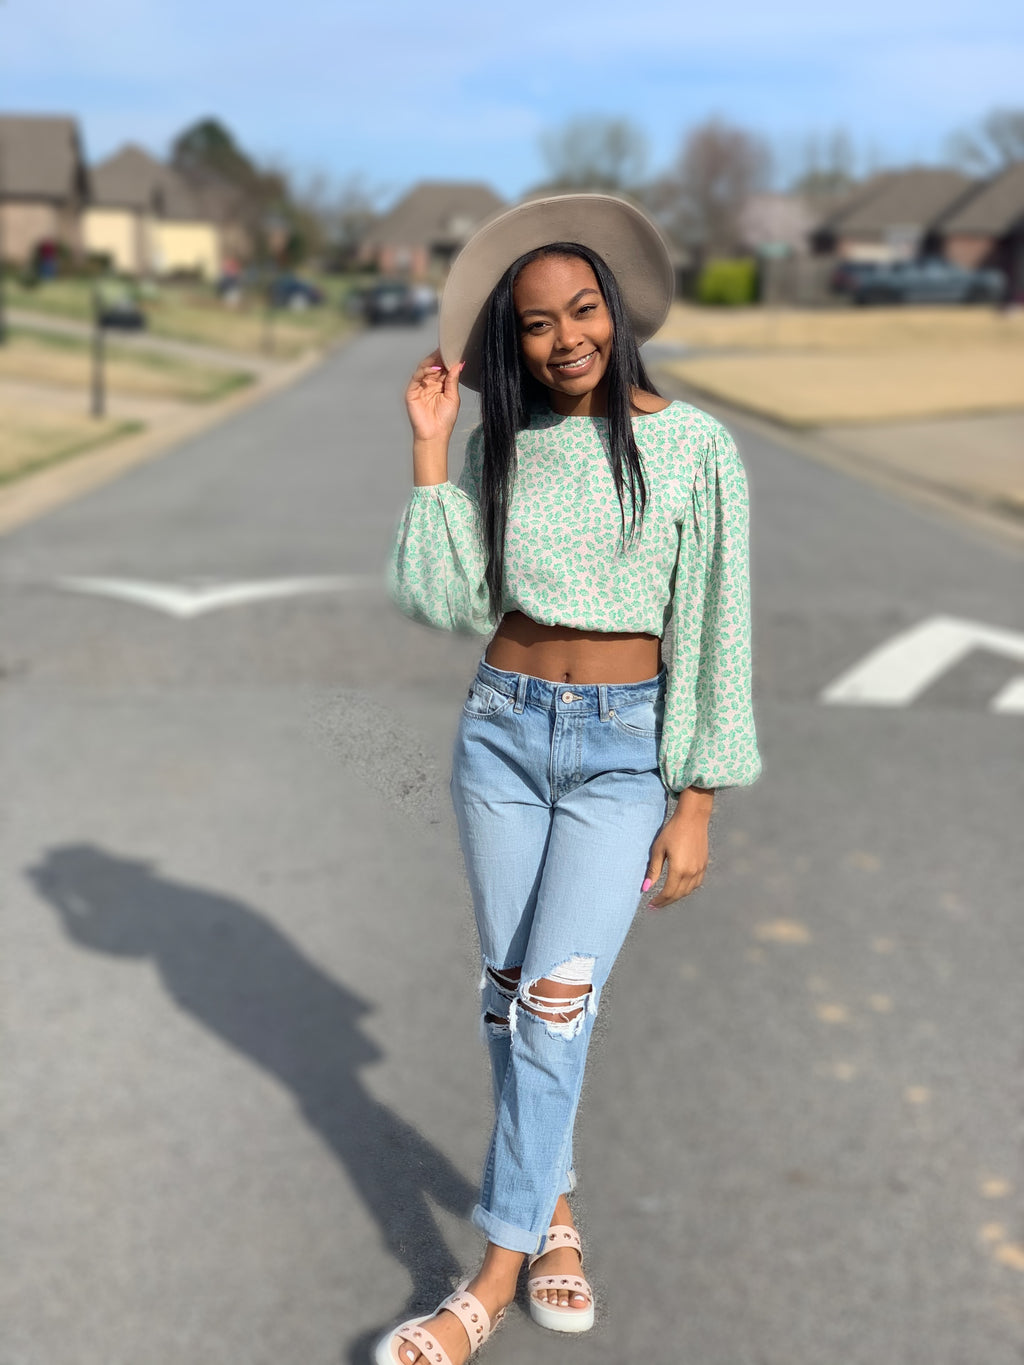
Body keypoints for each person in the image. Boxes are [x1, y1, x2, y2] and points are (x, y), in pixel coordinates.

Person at [376, 195, 761, 1365]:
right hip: (499, 728)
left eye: (582, 309)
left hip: (620, 752)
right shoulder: (502, 450)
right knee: (511, 994)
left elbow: (714, 628)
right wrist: (433, 452)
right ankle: (553, 1219)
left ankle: (484, 1284)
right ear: (514, 339)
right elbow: (442, 603)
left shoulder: (693, 450)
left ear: (616, 311)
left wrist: (694, 799)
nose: (564, 338)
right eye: (536, 323)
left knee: (554, 1000)